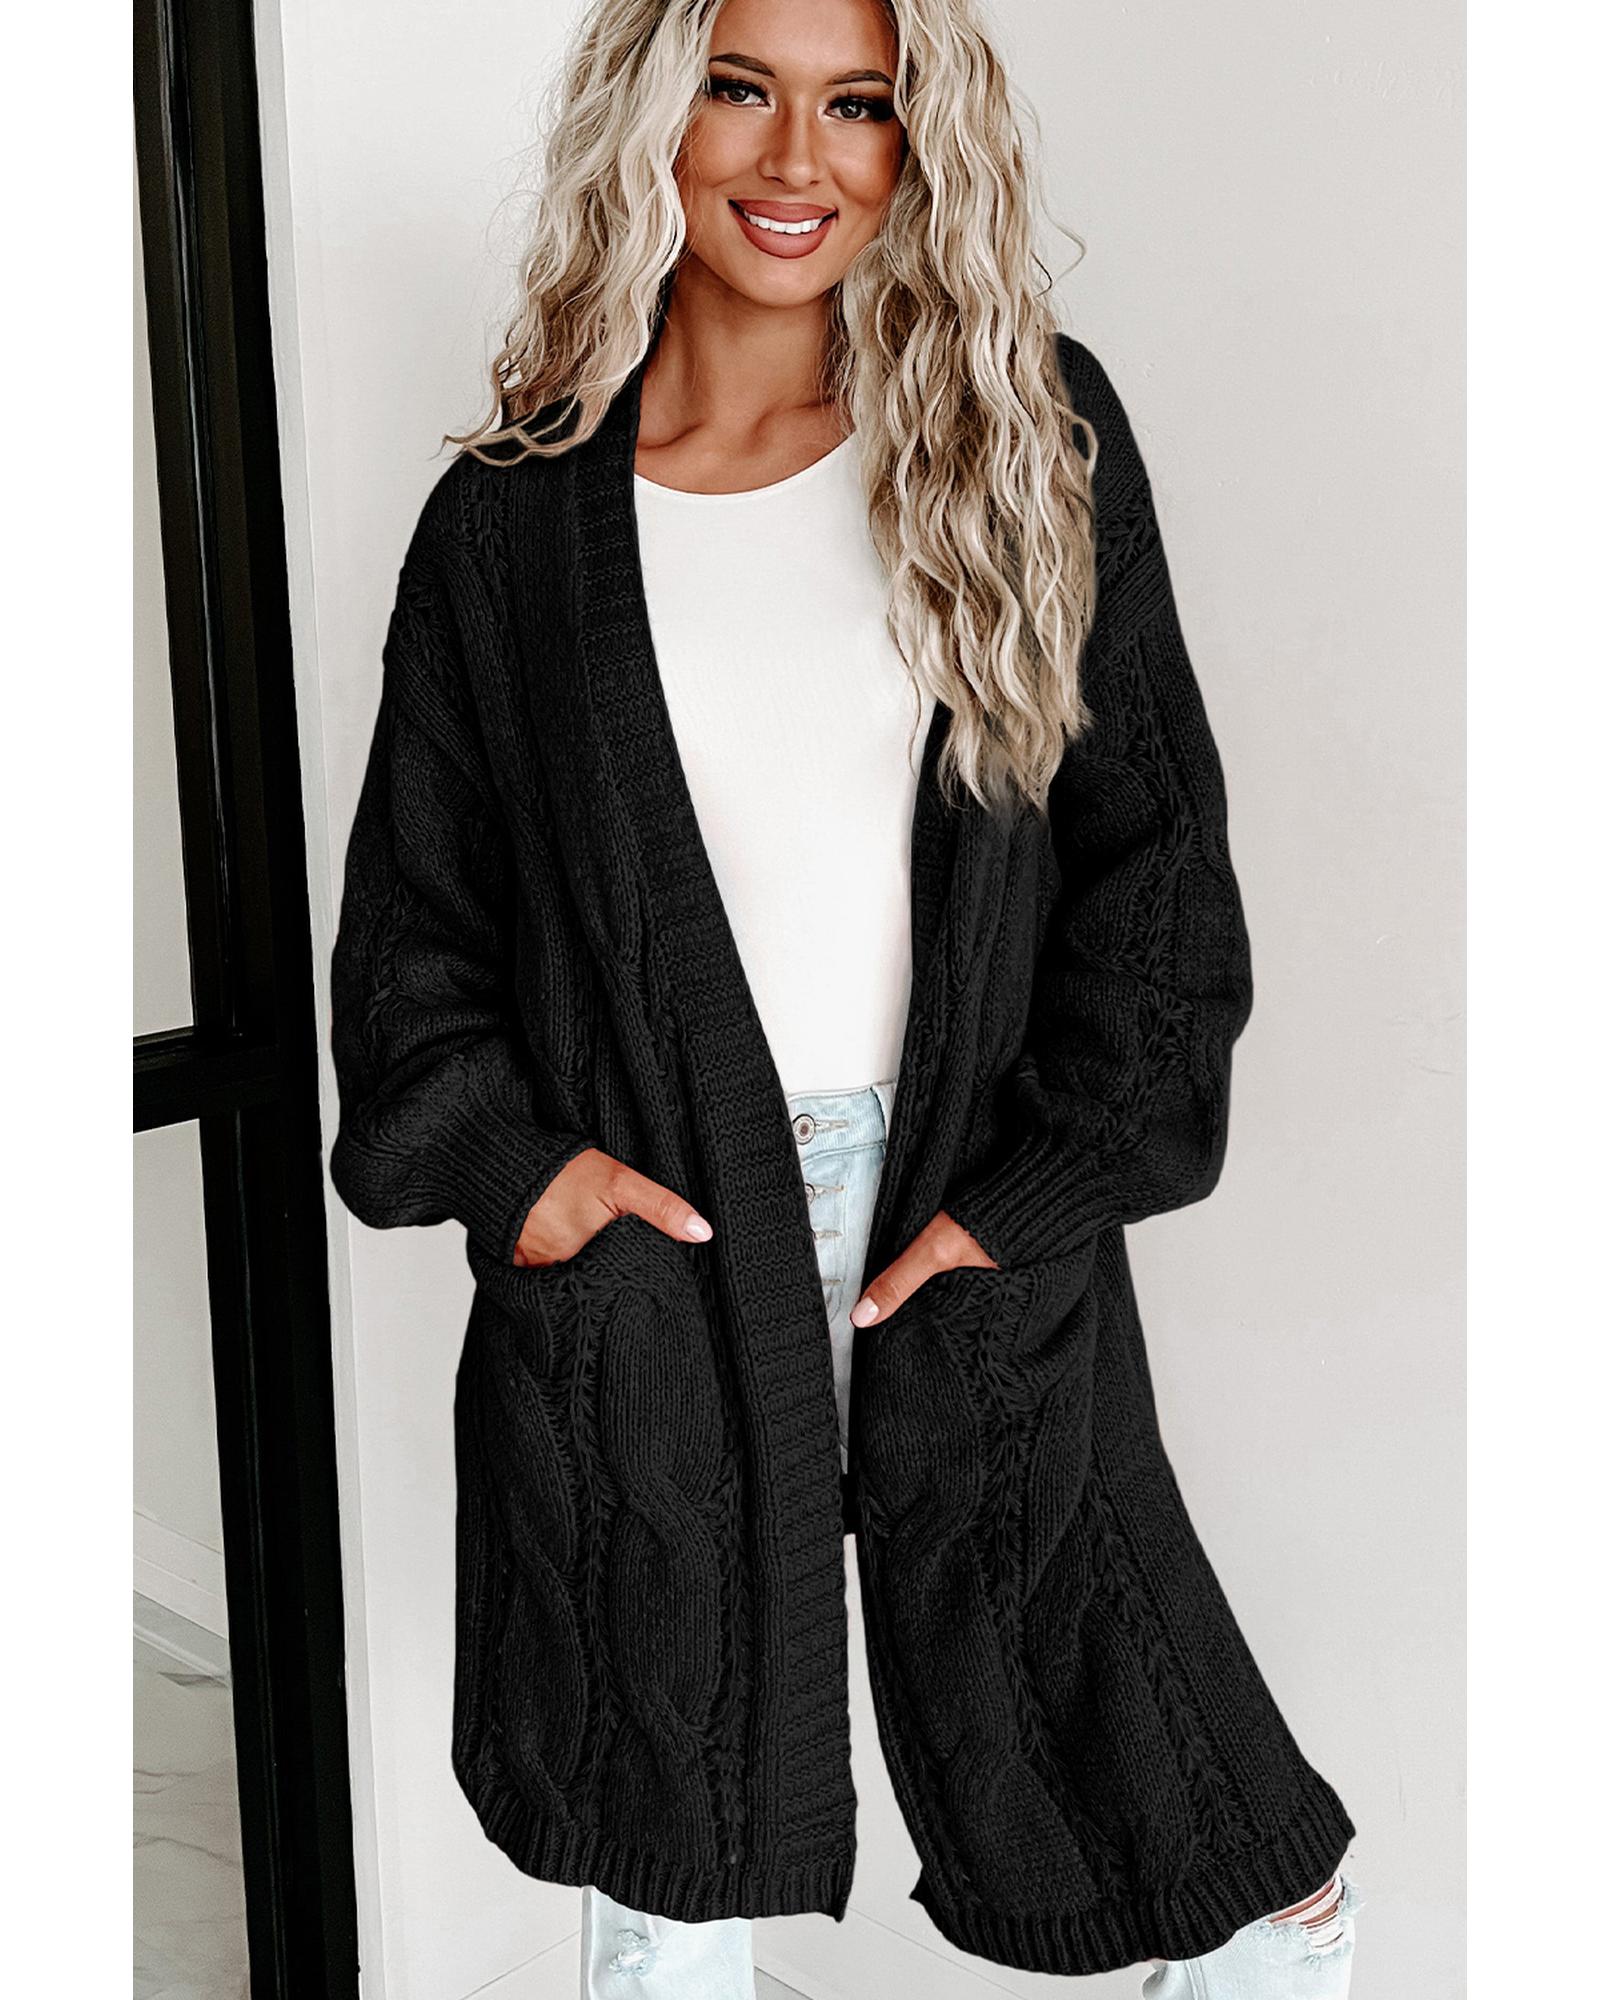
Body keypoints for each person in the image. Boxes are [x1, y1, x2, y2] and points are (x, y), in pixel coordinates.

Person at [328, 0, 1364, 1993]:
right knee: (669, 1869)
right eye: (740, 88)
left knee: (1210, 1842)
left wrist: (1032, 1199)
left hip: (954, 1224)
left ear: (915, 145)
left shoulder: (1023, 435)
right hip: (655, 1247)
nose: (796, 159)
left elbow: (1158, 878)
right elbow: (412, 949)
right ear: (652, 114)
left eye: (858, 105)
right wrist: (529, 1185)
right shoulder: (512, 526)